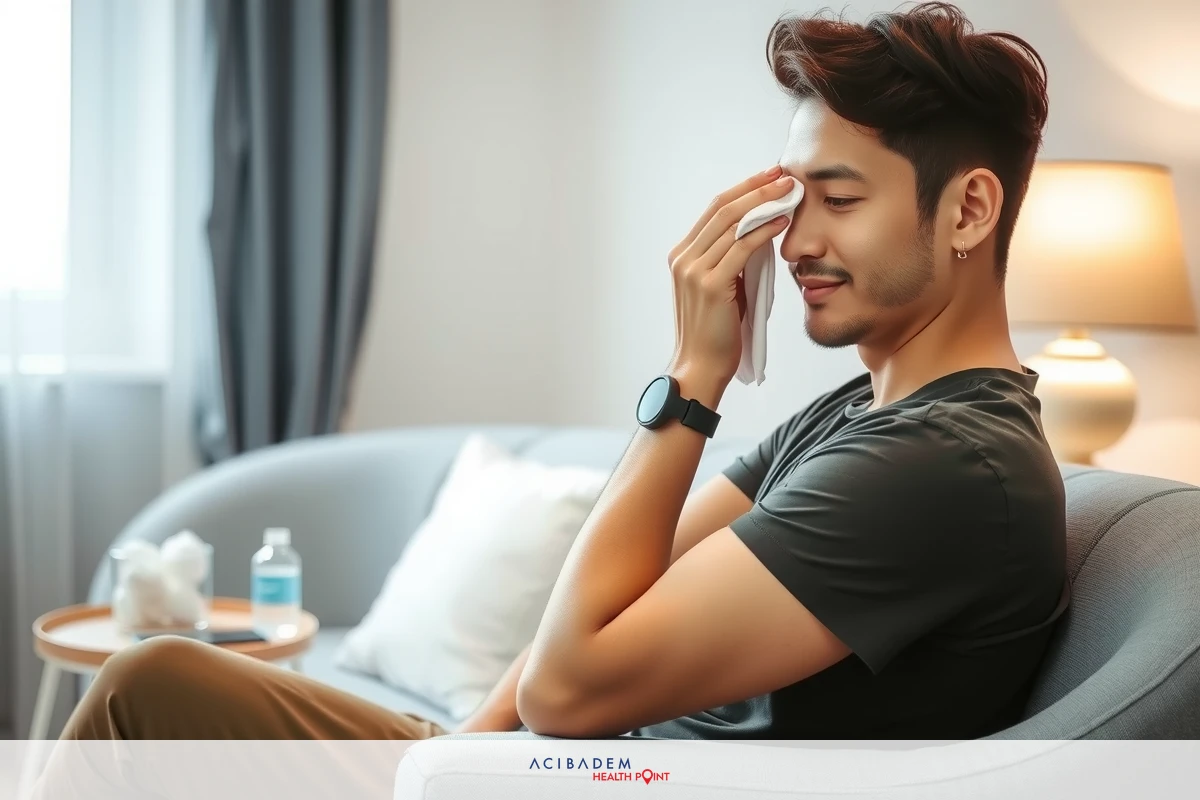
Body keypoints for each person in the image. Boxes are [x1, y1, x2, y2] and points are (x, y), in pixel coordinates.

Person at [40, 0, 1068, 777]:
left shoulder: (946, 464)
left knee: (144, 693)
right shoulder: (856, 416)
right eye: (794, 200)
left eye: (838, 198)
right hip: (523, 772)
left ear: (970, 209)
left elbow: (571, 683)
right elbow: (593, 609)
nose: (793, 241)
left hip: (598, 774)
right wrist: (453, 756)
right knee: (158, 682)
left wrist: (695, 377)